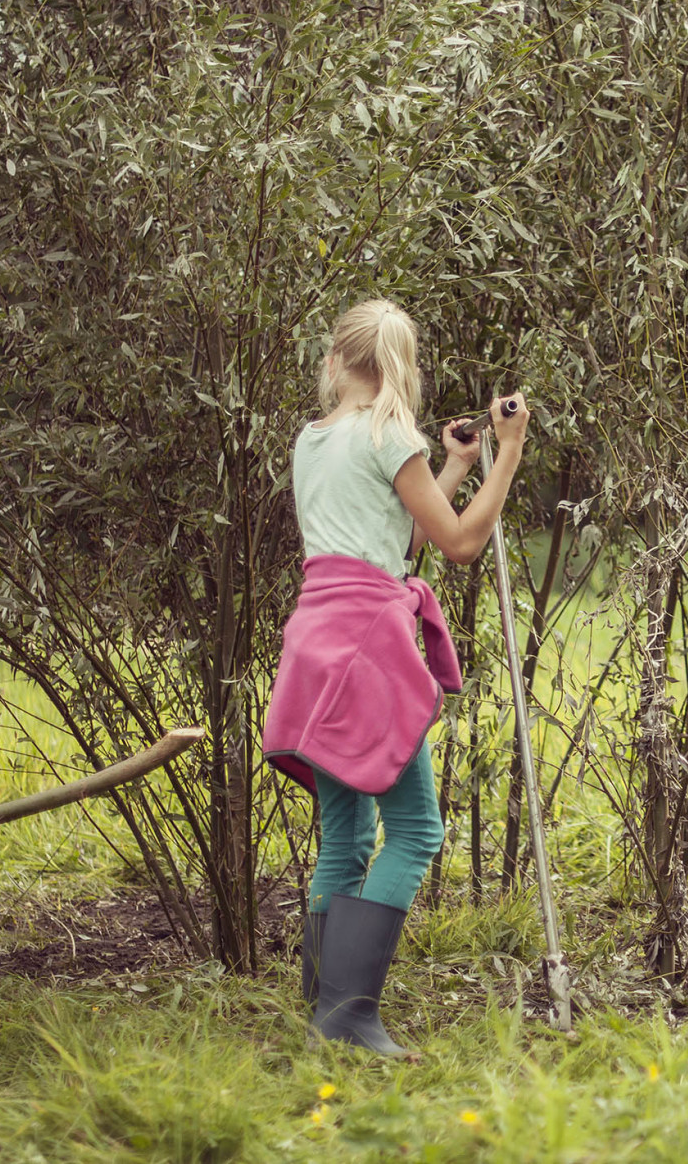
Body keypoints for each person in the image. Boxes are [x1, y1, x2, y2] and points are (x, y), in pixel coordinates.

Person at [261, 298, 529, 1058]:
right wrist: (508, 451)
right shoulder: (390, 433)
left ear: (336, 360)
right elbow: (459, 543)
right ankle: (346, 1015)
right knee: (416, 829)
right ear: (401, 367)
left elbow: (392, 530)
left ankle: (323, 1015)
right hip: (368, 647)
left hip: (316, 642)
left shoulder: (311, 440)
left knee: (345, 835)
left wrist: (453, 466)